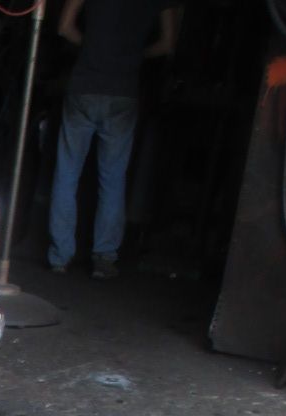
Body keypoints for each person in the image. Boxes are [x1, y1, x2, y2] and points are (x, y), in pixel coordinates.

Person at [47, 0, 181, 278]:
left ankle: (60, 257)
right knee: (113, 179)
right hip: (123, 90)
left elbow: (64, 27)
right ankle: (104, 258)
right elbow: (168, 44)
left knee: (67, 173)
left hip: (84, 85)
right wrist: (132, 55)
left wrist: (93, 48)